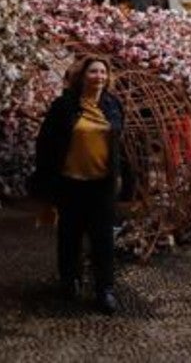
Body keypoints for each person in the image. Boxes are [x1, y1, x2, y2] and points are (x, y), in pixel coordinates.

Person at [31, 57, 135, 313]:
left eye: (102, 72)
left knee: (103, 239)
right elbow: (45, 143)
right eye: (93, 71)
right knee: (69, 236)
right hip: (70, 183)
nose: (98, 76)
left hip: (101, 184)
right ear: (82, 75)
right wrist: (46, 180)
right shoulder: (64, 105)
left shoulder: (112, 105)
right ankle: (70, 281)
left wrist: (120, 176)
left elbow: (118, 144)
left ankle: (105, 289)